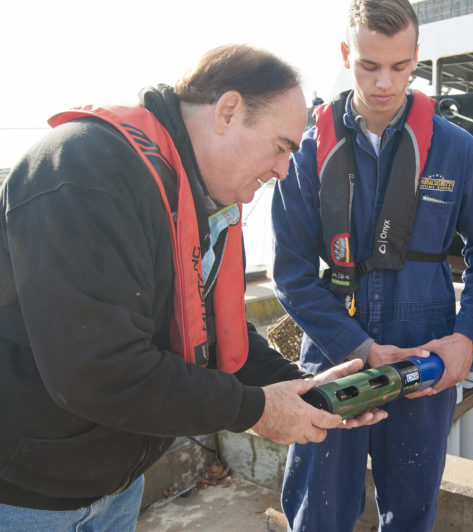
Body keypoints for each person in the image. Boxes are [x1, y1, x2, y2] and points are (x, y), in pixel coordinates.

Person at [0, 44, 384, 530]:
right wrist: (258, 411)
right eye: (283, 146)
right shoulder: (83, 170)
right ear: (227, 111)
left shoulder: (203, 202)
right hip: (26, 500)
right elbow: (101, 371)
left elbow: (219, 336)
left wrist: (305, 393)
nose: (284, 170)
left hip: (117, 489)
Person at [270, 0, 473, 529]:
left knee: (411, 514)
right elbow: (289, 274)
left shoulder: (458, 149)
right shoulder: (306, 154)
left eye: (400, 67)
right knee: (318, 514)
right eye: (368, 65)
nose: (384, 82)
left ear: (417, 57)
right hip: (335, 362)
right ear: (344, 55)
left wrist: (466, 337)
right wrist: (360, 347)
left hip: (423, 360)